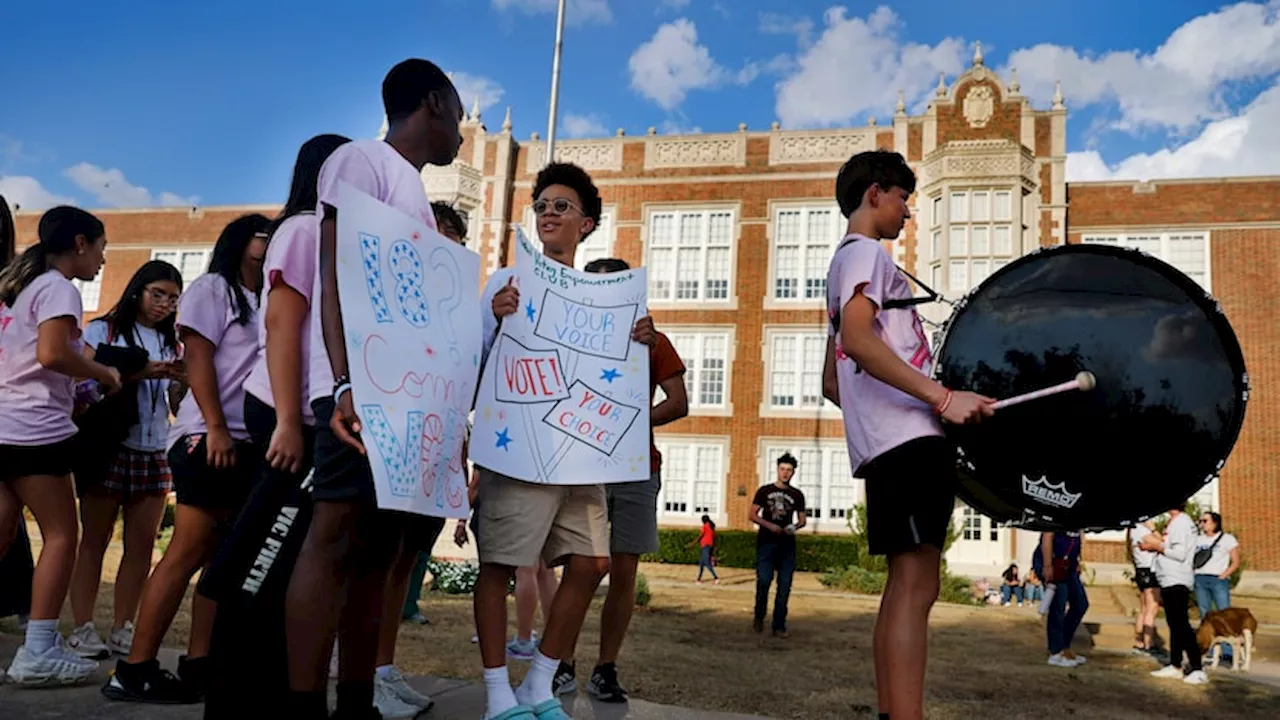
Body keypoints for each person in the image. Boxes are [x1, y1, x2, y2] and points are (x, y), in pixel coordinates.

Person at [283, 58, 464, 720]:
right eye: (461, 116)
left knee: (379, 551)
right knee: (333, 534)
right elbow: (334, 271)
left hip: (407, 397)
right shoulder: (362, 160)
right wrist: (343, 381)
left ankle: (355, 699)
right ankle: (303, 703)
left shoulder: (413, 194)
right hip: (360, 389)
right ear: (435, 102)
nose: (465, 135)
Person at [473, 162, 656, 720]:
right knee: (500, 566)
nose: (548, 214)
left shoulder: (610, 297)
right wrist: (498, 321)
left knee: (593, 562)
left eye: (562, 207)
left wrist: (638, 343)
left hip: (580, 456)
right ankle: (497, 693)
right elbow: (474, 363)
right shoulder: (505, 281)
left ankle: (539, 684)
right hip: (520, 449)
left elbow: (621, 380)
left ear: (587, 223)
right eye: (543, 205)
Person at [820, 149, 994, 720]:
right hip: (909, 443)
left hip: (889, 443)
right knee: (918, 587)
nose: (908, 213)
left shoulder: (843, 263)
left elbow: (832, 378)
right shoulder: (866, 253)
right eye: (902, 199)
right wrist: (940, 400)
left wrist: (879, 412)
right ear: (875, 193)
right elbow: (861, 342)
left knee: (904, 586)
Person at [103, 213, 269, 704]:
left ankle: (201, 663)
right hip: (207, 436)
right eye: (263, 239)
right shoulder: (213, 289)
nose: (271, 247)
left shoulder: (268, 298)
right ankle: (134, 669)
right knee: (188, 550)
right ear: (241, 244)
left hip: (248, 442)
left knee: (221, 560)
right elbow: (197, 358)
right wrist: (215, 427)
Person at [554, 256, 687, 704]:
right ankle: (562, 662)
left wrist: (632, 423)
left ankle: (605, 668)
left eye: (615, 288)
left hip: (635, 468)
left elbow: (679, 401)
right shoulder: (569, 337)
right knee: (579, 566)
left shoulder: (652, 342)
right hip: (582, 466)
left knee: (624, 570)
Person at [0, 206, 119, 685]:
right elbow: (51, 354)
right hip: (34, 430)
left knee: (3, 534)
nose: (104, 261)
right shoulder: (58, 288)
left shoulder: (16, 285)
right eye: (102, 248)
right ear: (79, 244)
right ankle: (39, 651)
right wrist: (102, 373)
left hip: (4, 423)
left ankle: (40, 646)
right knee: (63, 536)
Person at [66, 261, 185, 661]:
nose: (164, 305)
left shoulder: (174, 341)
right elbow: (85, 385)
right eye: (157, 294)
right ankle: (82, 628)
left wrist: (183, 381)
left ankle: (123, 627)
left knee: (141, 546)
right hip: (110, 445)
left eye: (172, 298)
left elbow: (173, 402)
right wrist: (142, 371)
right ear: (137, 290)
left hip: (154, 448)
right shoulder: (103, 330)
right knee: (93, 542)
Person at [1141, 504, 1207, 684]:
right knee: (1175, 624)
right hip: (1169, 578)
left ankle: (1197, 667)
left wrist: (1156, 545)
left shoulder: (1181, 523)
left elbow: (1179, 553)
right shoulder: (1176, 522)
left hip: (1176, 578)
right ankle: (1176, 664)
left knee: (1181, 624)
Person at [750, 453, 806, 638]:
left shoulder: (797, 495)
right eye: (782, 469)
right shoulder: (764, 491)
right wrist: (769, 525)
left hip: (787, 545)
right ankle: (759, 615)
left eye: (789, 470)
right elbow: (752, 514)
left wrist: (794, 527)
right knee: (764, 580)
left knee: (784, 585)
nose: (785, 473)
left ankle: (779, 625)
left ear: (793, 473)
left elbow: (802, 520)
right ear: (777, 469)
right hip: (766, 542)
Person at [1042, 531, 1088, 667]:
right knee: (1058, 605)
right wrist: (1047, 565)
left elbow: (1079, 535)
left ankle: (1064, 646)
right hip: (1055, 561)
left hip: (1070, 564)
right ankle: (1055, 652)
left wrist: (1079, 559)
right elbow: (1047, 535)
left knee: (1080, 604)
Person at [1128, 519, 1160, 653]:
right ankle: (1148, 644)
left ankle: (1139, 641)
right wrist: (1153, 529)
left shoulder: (1134, 529)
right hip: (1149, 570)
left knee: (1144, 607)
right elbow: (1162, 542)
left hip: (1142, 569)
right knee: (1152, 607)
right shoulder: (1141, 529)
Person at [697, 515, 719, 584]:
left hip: (705, 545)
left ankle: (716, 578)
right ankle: (699, 579)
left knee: (707, 563)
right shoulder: (712, 527)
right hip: (709, 545)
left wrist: (697, 540)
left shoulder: (705, 526)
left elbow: (701, 534)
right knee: (701, 562)